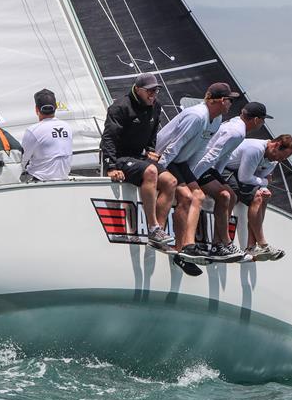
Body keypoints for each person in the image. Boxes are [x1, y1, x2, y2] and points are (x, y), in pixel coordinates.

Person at [98, 73, 201, 275]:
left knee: (171, 181)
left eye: (156, 90)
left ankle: (157, 232)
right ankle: (153, 226)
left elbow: (152, 133)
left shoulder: (156, 106)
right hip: (121, 158)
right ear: (138, 89)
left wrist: (149, 149)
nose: (154, 94)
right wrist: (111, 166)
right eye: (150, 91)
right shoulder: (120, 107)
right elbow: (108, 139)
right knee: (152, 171)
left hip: (139, 158)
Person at [155, 82, 238, 263]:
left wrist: (191, 176)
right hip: (166, 157)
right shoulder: (197, 116)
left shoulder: (215, 120)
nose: (231, 104)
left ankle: (188, 246)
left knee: (198, 195)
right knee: (186, 196)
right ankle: (183, 245)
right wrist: (159, 169)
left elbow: (200, 150)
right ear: (221, 100)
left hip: (181, 161)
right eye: (230, 100)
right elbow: (173, 145)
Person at [191, 101, 271, 261]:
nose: (262, 123)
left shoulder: (237, 125)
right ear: (256, 120)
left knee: (232, 196)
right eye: (263, 120)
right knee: (225, 196)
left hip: (209, 168)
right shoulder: (237, 131)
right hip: (198, 165)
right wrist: (193, 178)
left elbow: (225, 155)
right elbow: (212, 154)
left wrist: (218, 176)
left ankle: (217, 244)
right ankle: (223, 244)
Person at [223, 134, 292, 260]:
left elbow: (259, 178)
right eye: (282, 156)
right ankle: (263, 244)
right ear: (276, 145)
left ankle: (251, 246)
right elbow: (245, 178)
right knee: (257, 195)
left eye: (284, 158)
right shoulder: (256, 149)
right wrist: (265, 183)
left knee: (262, 196)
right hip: (224, 169)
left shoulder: (273, 160)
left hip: (239, 174)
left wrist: (264, 188)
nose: (280, 160)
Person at [21, 89, 73, 181]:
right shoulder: (67, 127)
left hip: (38, 179)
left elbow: (22, 161)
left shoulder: (33, 130)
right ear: (56, 107)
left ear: (36, 109)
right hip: (63, 178)